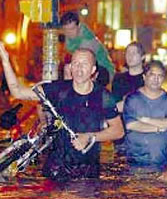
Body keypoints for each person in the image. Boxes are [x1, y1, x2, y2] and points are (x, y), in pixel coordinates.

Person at [0, 43, 124, 181]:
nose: (79, 68)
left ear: (93, 70)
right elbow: (17, 91)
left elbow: (118, 131)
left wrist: (89, 137)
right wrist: (5, 60)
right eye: (75, 63)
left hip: (87, 172)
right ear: (70, 67)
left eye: (84, 64)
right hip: (55, 169)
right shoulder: (57, 90)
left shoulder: (103, 96)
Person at [123, 60, 167, 173]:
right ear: (144, 76)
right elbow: (131, 124)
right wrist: (158, 128)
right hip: (134, 164)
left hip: (161, 164)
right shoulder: (132, 99)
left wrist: (146, 119)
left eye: (160, 76)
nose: (156, 79)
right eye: (152, 75)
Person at [61, 11, 115, 85]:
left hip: (103, 71)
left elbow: (86, 64)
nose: (69, 33)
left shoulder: (87, 41)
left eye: (72, 29)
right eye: (66, 30)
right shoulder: (70, 39)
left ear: (78, 26)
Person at [112, 41, 145, 112]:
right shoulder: (119, 78)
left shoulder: (147, 78)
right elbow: (116, 103)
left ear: (142, 57)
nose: (130, 56)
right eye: (128, 53)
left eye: (134, 53)